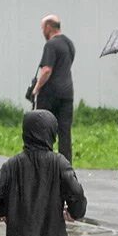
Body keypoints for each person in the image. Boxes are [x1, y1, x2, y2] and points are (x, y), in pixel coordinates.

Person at [30, 14, 76, 162]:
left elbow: (47, 70)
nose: (42, 31)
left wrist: (36, 88)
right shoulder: (69, 44)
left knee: (44, 130)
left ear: (49, 27)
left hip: (50, 94)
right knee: (64, 132)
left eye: (42, 28)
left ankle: (44, 162)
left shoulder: (51, 45)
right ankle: (65, 166)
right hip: (67, 93)